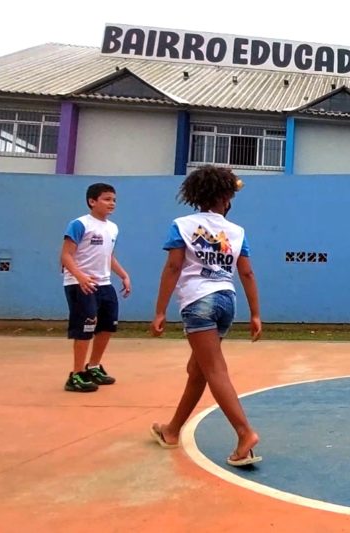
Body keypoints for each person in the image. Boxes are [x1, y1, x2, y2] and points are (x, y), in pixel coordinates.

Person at [149, 165, 263, 467]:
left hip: (199, 302)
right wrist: (255, 314)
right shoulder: (236, 231)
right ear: (225, 197)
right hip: (227, 301)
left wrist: (160, 310)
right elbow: (247, 272)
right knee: (198, 370)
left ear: (196, 195)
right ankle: (172, 431)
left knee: (214, 370)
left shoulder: (182, 225)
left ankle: (244, 434)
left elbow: (173, 268)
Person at [60, 183, 131, 393]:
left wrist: (124, 275)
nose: (112, 204)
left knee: (108, 326)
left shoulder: (113, 228)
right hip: (80, 283)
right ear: (92, 201)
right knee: (85, 328)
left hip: (104, 283)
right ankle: (76, 374)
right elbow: (66, 255)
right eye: (107, 199)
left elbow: (108, 256)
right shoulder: (79, 224)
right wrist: (80, 276)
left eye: (114, 200)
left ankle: (93, 367)